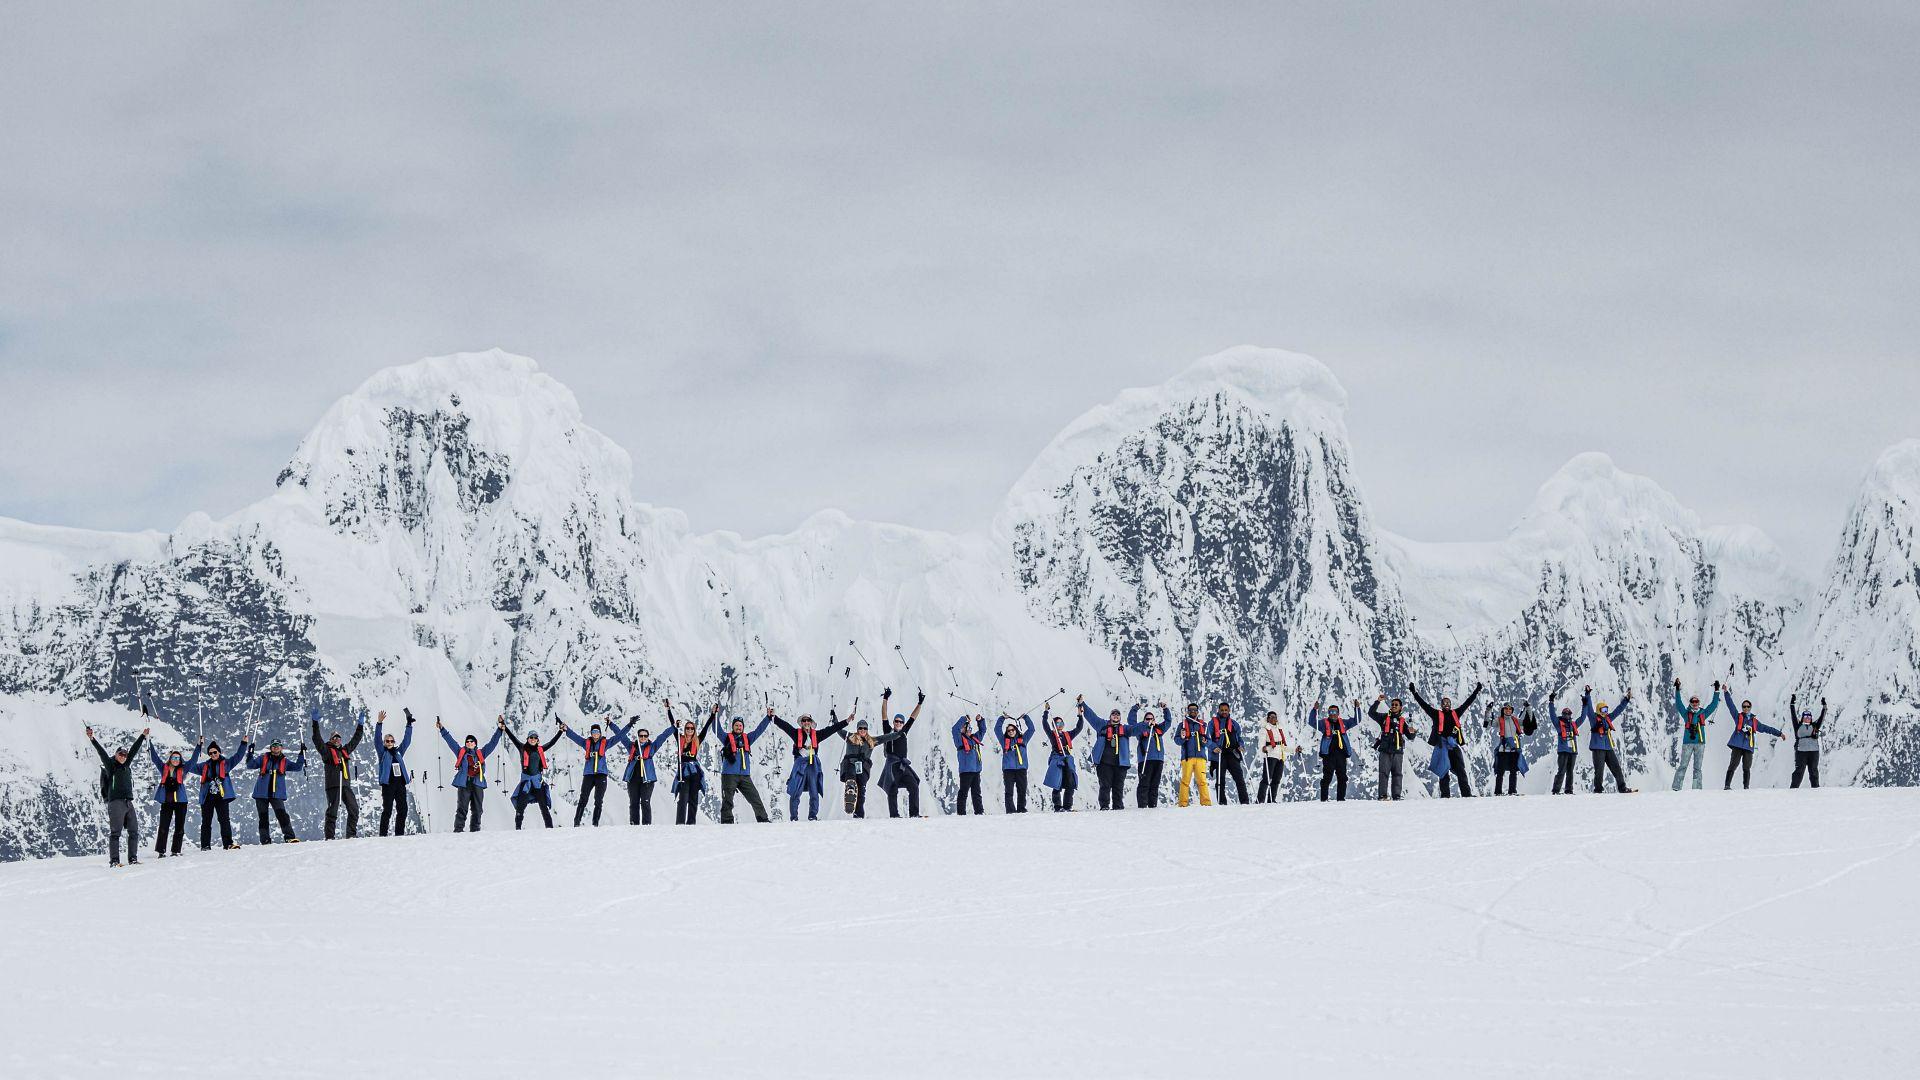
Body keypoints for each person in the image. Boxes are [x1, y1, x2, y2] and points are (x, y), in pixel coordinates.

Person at [87, 724, 149, 866]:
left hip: (128, 802)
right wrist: (92, 738)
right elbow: (102, 753)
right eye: (120, 754)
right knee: (116, 833)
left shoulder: (127, 764)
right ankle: (114, 861)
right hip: (115, 803)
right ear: (116, 755)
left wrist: (142, 736)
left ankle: (132, 859)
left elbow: (134, 750)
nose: (123, 756)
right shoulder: (111, 766)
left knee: (134, 831)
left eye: (125, 755)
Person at [774, 706, 850, 821]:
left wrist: (847, 721)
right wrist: (773, 717)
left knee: (814, 791)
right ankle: (794, 818)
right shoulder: (795, 733)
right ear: (802, 723)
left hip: (812, 764)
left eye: (808, 720)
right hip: (800, 763)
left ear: (811, 722)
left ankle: (812, 816)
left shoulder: (817, 735)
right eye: (804, 721)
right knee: (796, 791)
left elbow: (832, 729)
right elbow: (784, 726)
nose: (806, 722)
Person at [1411, 681, 1482, 797]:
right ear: (1441, 705)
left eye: (1448, 702)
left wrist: (1476, 691)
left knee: (1461, 770)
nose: (1446, 704)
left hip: (1453, 745)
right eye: (1444, 703)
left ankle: (1466, 794)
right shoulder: (1435, 714)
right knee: (1444, 771)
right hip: (1442, 746)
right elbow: (1423, 705)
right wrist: (1414, 693)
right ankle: (1445, 796)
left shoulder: (1456, 713)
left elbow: (1467, 703)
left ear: (1451, 704)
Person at [562, 716, 634, 827]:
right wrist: (567, 729)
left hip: (601, 775)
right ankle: (576, 823)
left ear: (600, 733)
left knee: (598, 800)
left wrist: (629, 725)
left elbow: (619, 736)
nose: (595, 734)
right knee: (583, 798)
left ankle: (595, 823)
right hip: (589, 775)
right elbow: (575, 737)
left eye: (597, 732)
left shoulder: (606, 743)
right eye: (593, 732)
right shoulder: (586, 743)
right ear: (591, 733)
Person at [437, 718, 503, 832]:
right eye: (467, 741)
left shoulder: (481, 753)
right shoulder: (461, 752)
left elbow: (493, 743)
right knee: (462, 808)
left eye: (472, 741)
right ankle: (458, 830)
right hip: (464, 783)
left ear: (475, 743)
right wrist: (442, 729)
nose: (469, 743)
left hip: (477, 783)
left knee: (477, 809)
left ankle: (475, 830)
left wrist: (500, 729)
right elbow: (450, 741)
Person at [309, 707, 364, 841]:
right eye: (334, 738)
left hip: (345, 784)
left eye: (338, 737)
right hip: (333, 785)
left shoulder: (345, 750)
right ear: (331, 740)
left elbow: (355, 740)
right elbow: (317, 740)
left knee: (353, 809)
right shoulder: (326, 752)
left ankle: (351, 835)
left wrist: (360, 726)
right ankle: (330, 837)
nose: (337, 739)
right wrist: (315, 723)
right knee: (332, 811)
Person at [1079, 696, 1141, 811]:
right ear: (1110, 716)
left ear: (1120, 718)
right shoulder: (1102, 725)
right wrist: (1082, 704)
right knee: (1105, 786)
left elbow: (1136, 729)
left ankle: (1118, 807)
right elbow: (1092, 717)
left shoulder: (1126, 729)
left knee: (1118, 787)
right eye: (1113, 714)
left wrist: (1147, 724)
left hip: (1120, 764)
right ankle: (1104, 806)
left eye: (1117, 715)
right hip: (1104, 763)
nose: (1115, 716)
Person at [619, 706, 677, 825]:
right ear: (638, 737)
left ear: (648, 737)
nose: (643, 738)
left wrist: (674, 727)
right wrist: (614, 724)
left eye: (645, 736)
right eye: (641, 736)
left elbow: (662, 736)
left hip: (648, 779)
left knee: (645, 802)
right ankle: (634, 824)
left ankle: (647, 826)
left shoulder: (652, 748)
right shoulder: (632, 747)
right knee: (633, 803)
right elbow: (620, 736)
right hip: (633, 779)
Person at [874, 689, 927, 818]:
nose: (898, 723)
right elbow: (884, 715)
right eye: (896, 721)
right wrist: (885, 699)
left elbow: (913, 717)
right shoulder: (888, 731)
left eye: (900, 722)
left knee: (913, 785)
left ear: (903, 724)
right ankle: (894, 815)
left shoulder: (904, 731)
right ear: (893, 723)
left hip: (903, 764)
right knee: (892, 789)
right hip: (892, 764)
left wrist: (920, 703)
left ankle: (914, 814)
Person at [716, 710, 775, 824]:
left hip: (744, 776)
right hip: (729, 774)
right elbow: (717, 730)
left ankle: (763, 820)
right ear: (733, 726)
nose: (738, 727)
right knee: (728, 800)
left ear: (743, 727)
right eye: (736, 725)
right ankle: (727, 823)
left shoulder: (747, 738)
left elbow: (759, 730)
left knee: (755, 798)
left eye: (740, 725)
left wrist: (768, 718)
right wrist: (714, 715)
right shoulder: (726, 738)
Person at [502, 720, 563, 829]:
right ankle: (518, 829)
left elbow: (552, 742)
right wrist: (504, 727)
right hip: (526, 782)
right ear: (528, 739)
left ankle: (550, 828)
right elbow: (512, 738)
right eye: (531, 737)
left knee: (543, 807)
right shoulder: (522, 748)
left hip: (537, 782)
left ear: (537, 740)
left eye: (535, 738)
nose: (533, 739)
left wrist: (561, 731)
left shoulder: (540, 749)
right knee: (520, 807)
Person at [146, 739, 201, 858]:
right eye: (173, 757)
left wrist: (198, 746)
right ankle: (161, 851)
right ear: (170, 759)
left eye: (178, 758)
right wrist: (148, 741)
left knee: (179, 827)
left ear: (180, 760)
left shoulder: (184, 769)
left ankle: (175, 850)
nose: (176, 760)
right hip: (167, 802)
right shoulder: (163, 768)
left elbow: (193, 760)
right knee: (163, 826)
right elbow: (155, 758)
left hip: (181, 802)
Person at [247, 739, 307, 844]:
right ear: (271, 748)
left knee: (282, 815)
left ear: (281, 747)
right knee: (263, 817)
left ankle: (289, 837)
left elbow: (297, 767)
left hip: (277, 793)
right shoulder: (263, 758)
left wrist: (302, 754)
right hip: (261, 793)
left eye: (278, 745)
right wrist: (250, 753)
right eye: (274, 745)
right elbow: (250, 765)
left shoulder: (285, 761)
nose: (276, 747)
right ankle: (265, 840)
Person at [192, 737, 246, 850]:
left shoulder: (226, 763)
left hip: (222, 797)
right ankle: (205, 846)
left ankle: (228, 844)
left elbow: (238, 756)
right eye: (210, 753)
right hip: (207, 797)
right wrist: (198, 747)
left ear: (219, 752)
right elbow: (190, 766)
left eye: (215, 752)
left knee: (224, 820)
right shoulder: (204, 766)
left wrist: (244, 743)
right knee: (206, 821)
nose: (213, 754)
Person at [1722, 691, 1782, 790]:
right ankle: (1727, 786)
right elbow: (1730, 705)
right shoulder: (1738, 717)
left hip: (1748, 747)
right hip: (1737, 745)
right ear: (1742, 708)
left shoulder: (1754, 722)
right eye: (1744, 706)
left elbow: (1766, 728)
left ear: (1750, 707)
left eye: (1748, 706)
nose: (1746, 708)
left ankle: (1746, 787)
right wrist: (1726, 693)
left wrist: (1779, 733)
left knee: (1747, 768)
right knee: (1733, 765)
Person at [1670, 679, 1721, 791]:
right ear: (1690, 702)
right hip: (1688, 743)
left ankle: (1697, 789)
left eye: (1696, 701)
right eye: (1693, 701)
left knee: (1697, 768)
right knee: (1683, 766)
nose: (1694, 703)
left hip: (1700, 744)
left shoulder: (1703, 713)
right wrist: (1677, 690)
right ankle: (1676, 788)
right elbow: (1679, 704)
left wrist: (1717, 691)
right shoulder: (1686, 713)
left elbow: (1713, 705)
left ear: (1698, 702)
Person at [670, 704, 716, 825]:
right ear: (685, 730)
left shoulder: (697, 740)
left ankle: (691, 823)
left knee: (693, 799)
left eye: (692, 728)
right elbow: (673, 727)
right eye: (687, 728)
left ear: (694, 730)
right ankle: (680, 823)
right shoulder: (680, 739)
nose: (689, 730)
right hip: (683, 771)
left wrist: (712, 714)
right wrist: (669, 710)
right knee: (683, 798)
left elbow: (706, 728)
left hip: (694, 772)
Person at [1367, 695, 1419, 801]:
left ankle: (1396, 796)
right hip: (1385, 750)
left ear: (1400, 707)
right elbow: (1371, 713)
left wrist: (1413, 732)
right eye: (1392, 704)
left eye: (1396, 705)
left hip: (1398, 751)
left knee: (1397, 774)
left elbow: (1410, 736)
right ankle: (1382, 796)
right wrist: (1377, 702)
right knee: (1383, 774)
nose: (1394, 706)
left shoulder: (1402, 722)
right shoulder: (1383, 717)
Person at [1583, 687, 1635, 794]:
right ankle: (1598, 790)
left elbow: (1618, 710)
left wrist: (1626, 700)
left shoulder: (1608, 719)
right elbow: (1589, 708)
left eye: (1606, 710)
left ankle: (1622, 788)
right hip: (1598, 749)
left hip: (1608, 747)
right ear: (1598, 710)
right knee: (1599, 771)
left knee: (1616, 767)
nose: (1605, 712)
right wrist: (1587, 695)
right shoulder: (1593, 719)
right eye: (1603, 710)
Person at [373, 710, 415, 835]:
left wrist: (409, 725)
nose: (390, 742)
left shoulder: (398, 752)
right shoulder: (382, 753)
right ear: (384, 743)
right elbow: (377, 740)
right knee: (388, 810)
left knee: (403, 810)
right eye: (387, 741)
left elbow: (406, 742)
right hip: (388, 785)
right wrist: (379, 723)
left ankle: (399, 834)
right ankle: (383, 835)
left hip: (400, 784)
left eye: (392, 741)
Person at [1308, 701, 1360, 802]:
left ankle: (1341, 799)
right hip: (1328, 755)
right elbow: (1312, 722)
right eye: (1330, 712)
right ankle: (1324, 799)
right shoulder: (1323, 723)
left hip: (1341, 754)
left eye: (1334, 712)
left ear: (1338, 713)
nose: (1333, 714)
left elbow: (1356, 720)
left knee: (1342, 777)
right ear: (1328, 713)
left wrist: (1357, 709)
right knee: (1327, 776)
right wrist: (1314, 710)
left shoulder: (1344, 723)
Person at [1039, 703, 1084, 812]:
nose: (1059, 724)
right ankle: (1058, 807)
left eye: (1061, 722)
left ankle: (1067, 806)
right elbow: (1045, 725)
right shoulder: (1052, 735)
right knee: (1056, 782)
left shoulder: (1068, 735)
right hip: (1057, 759)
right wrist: (1046, 712)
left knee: (1070, 783)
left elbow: (1079, 728)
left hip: (1067, 759)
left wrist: (1080, 715)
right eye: (1057, 723)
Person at [1484, 703, 1533, 796]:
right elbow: (1487, 724)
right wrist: (1488, 710)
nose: (1508, 710)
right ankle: (1498, 792)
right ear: (1503, 710)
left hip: (1513, 750)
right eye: (1506, 709)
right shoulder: (1499, 720)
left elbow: (1529, 721)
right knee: (1500, 772)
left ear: (1512, 710)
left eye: (1510, 709)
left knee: (1513, 772)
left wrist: (1528, 708)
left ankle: (1512, 791)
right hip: (1503, 750)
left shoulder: (1516, 720)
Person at [1209, 702, 1250, 805]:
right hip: (1219, 753)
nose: (1224, 712)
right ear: (1218, 710)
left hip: (1232, 753)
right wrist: (1213, 747)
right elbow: (1207, 738)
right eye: (1222, 710)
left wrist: (1241, 745)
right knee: (1220, 780)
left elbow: (1239, 738)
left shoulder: (1234, 724)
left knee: (1239, 778)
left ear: (1229, 711)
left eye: (1225, 710)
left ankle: (1245, 802)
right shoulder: (1213, 723)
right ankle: (1222, 802)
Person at [996, 712, 1035, 813]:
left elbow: (1031, 729)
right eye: (1008, 731)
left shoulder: (1023, 739)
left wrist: (1025, 718)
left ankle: (1021, 809)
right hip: (1008, 770)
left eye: (1012, 729)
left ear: (1016, 730)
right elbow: (997, 730)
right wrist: (1002, 718)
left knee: (1022, 790)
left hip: (1021, 769)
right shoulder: (1004, 741)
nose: (1011, 732)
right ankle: (1010, 810)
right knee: (1009, 791)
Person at [1134, 704, 1172, 807]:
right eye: (1147, 719)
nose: (1150, 720)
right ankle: (1142, 806)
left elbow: (1168, 722)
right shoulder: (1140, 729)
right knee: (1144, 784)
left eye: (1151, 718)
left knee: (1155, 785)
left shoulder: (1158, 729)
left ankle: (1152, 806)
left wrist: (1165, 709)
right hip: (1146, 759)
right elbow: (1131, 722)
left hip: (1158, 760)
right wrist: (1135, 708)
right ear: (1144, 720)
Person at [950, 712, 987, 816]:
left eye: (970, 728)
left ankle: (979, 811)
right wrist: (964, 719)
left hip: (976, 770)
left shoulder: (975, 739)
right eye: (967, 728)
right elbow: (954, 729)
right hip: (966, 770)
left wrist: (980, 721)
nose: (970, 730)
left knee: (976, 793)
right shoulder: (959, 740)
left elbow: (983, 730)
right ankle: (961, 813)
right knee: (963, 792)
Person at [1546, 692, 1583, 795]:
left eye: (1568, 714)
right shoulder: (1559, 724)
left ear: (1570, 715)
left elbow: (1583, 718)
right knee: (1562, 770)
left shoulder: (1573, 725)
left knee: (1570, 771)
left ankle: (1568, 790)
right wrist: (1551, 701)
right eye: (1565, 714)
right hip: (1563, 751)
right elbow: (1552, 715)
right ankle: (1556, 790)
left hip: (1573, 751)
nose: (1567, 715)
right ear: (1562, 715)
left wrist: (1585, 704)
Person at [840, 718, 877, 819]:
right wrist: (834, 719)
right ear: (857, 729)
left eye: (865, 728)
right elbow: (838, 729)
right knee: (851, 773)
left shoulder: (872, 741)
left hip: (863, 768)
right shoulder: (850, 737)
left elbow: (886, 737)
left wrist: (900, 732)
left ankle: (858, 815)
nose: (862, 730)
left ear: (867, 729)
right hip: (850, 764)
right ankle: (850, 788)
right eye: (860, 728)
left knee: (861, 792)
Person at [1788, 694, 1826, 789]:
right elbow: (1793, 715)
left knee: (1813, 770)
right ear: (1802, 718)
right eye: (1805, 716)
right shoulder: (1798, 725)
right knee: (1799, 770)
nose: (1807, 718)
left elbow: (1822, 717)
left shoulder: (1815, 726)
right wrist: (1792, 703)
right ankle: (1793, 789)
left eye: (1809, 717)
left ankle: (1816, 788)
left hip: (1814, 751)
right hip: (1801, 751)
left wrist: (1824, 707)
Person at [1255, 710, 1289, 804]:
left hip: (1280, 756)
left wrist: (1294, 749)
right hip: (1270, 755)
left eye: (1275, 717)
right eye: (1271, 717)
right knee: (1266, 778)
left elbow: (1283, 745)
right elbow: (1261, 742)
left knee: (1276, 779)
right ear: (1268, 718)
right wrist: (1263, 748)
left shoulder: (1279, 729)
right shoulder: (1264, 729)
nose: (1274, 718)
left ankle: (1271, 800)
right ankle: (1260, 800)